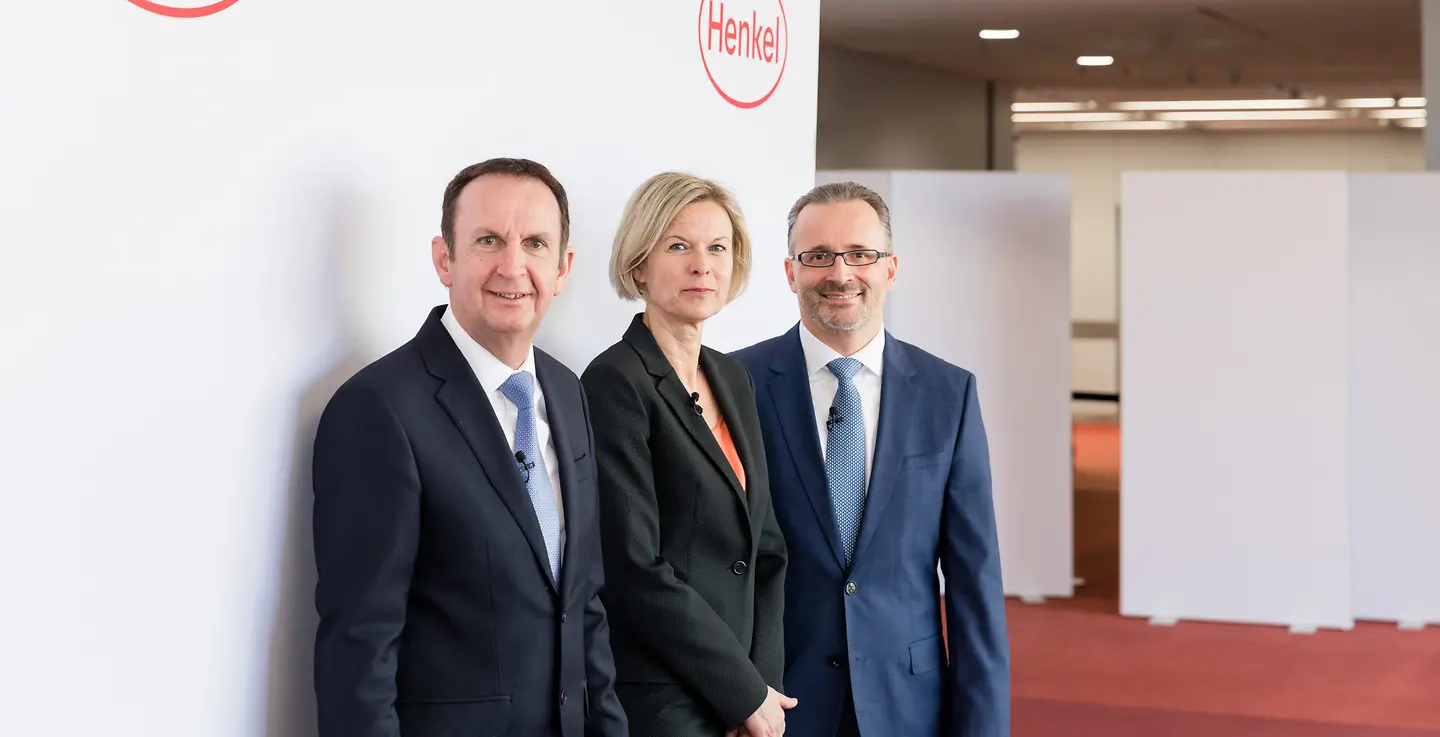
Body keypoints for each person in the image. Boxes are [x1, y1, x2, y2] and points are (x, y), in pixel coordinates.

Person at [311, 158, 628, 737]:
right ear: (444, 258)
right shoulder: (379, 409)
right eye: (488, 240)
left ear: (563, 268)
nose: (514, 266)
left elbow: (584, 606)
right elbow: (359, 648)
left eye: (535, 243)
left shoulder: (568, 390)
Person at [732, 181, 1009, 737]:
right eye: (817, 257)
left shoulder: (947, 393)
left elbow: (974, 582)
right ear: (791, 273)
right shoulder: (736, 385)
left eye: (860, 254)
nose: (840, 274)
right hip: (773, 706)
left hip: (909, 705)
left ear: (890, 268)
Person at [581, 172, 793, 737]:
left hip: (746, 698)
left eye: (717, 247)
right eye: (679, 245)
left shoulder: (732, 377)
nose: (703, 264)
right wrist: (740, 692)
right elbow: (632, 567)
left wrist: (761, 687)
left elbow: (767, 547)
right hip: (663, 698)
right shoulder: (614, 382)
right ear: (639, 265)